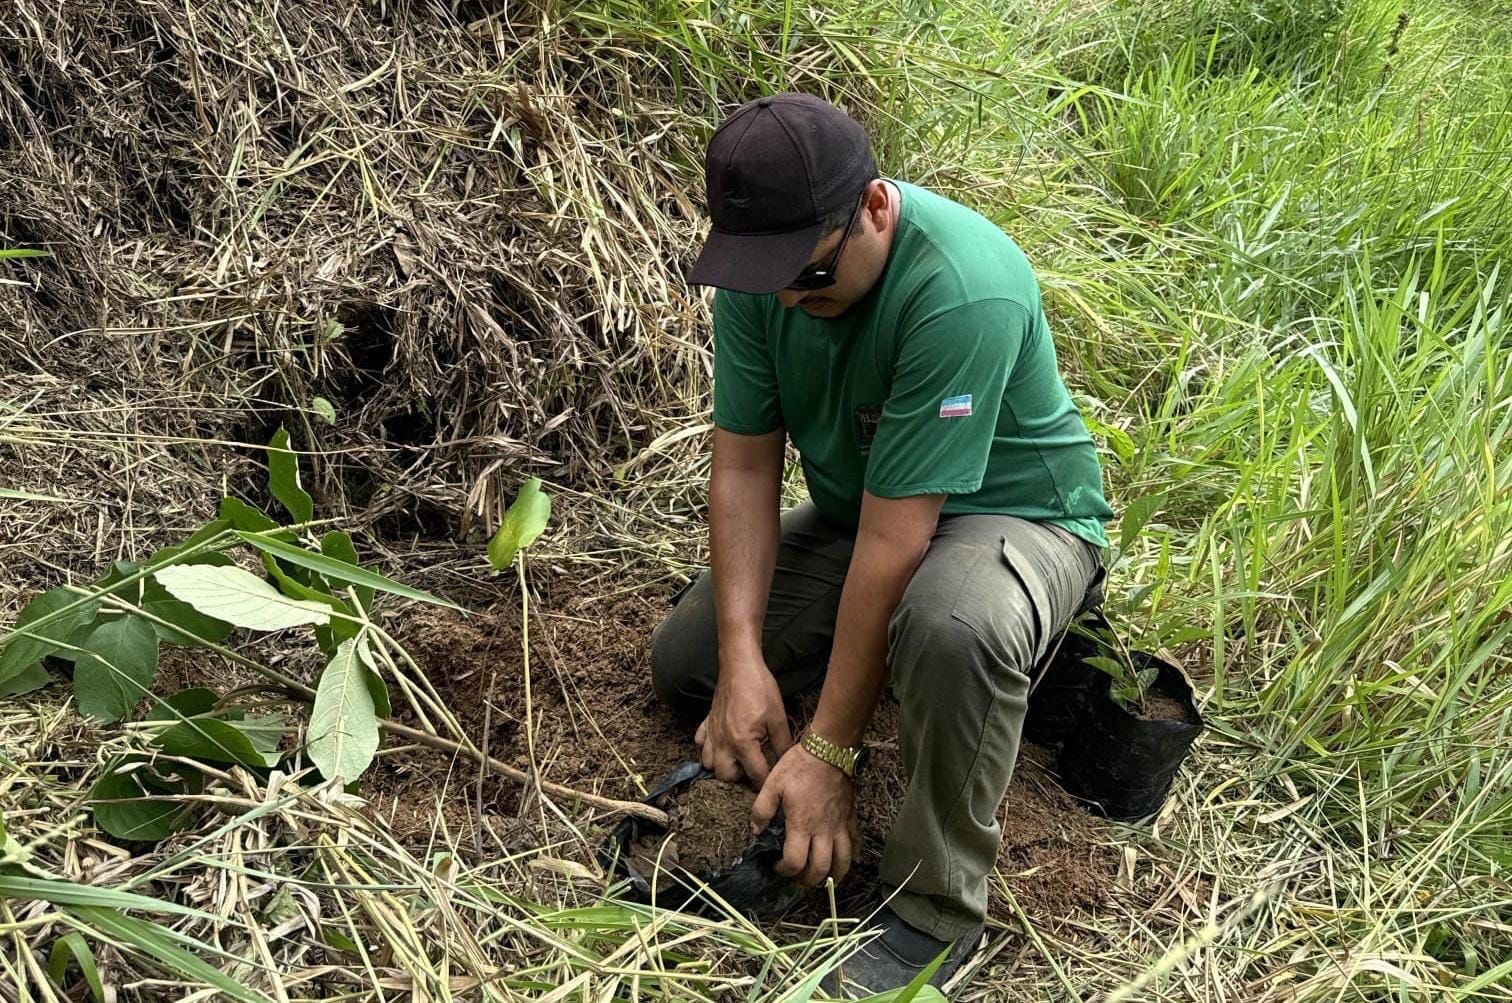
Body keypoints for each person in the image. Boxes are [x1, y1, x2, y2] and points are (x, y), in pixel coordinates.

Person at [650, 92, 1113, 994]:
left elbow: (899, 543)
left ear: (871, 206)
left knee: (951, 625)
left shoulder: (960, 288)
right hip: (873, 506)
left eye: (811, 277)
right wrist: (743, 658)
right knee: (690, 661)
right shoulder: (772, 267)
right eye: (768, 277)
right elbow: (744, 470)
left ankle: (932, 910)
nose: (789, 298)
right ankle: (934, 686)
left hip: (1014, 514)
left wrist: (830, 750)